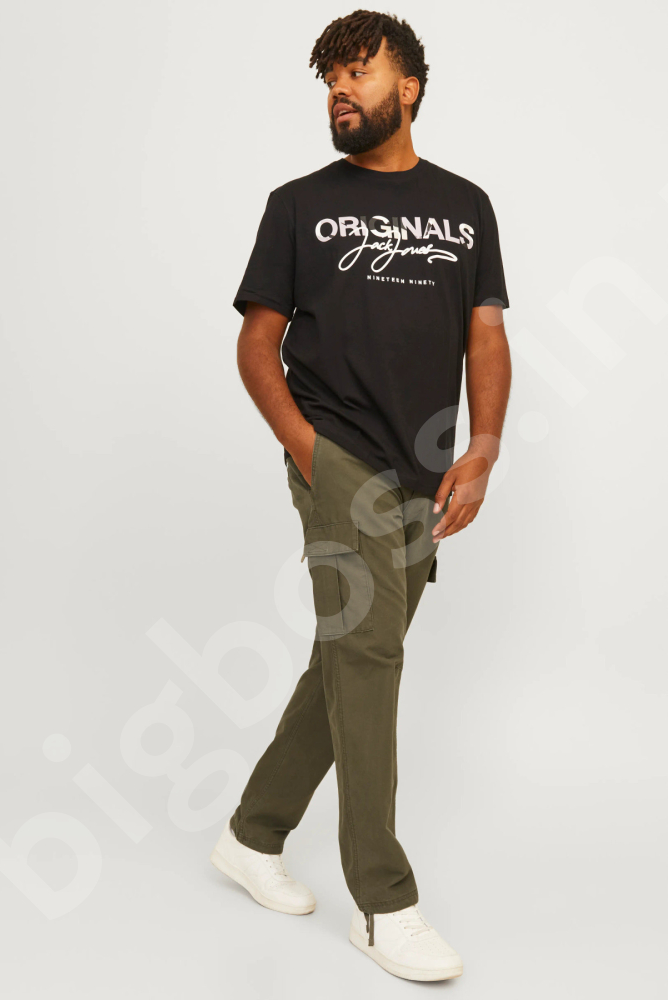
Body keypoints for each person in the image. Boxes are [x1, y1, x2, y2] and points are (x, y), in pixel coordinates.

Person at [210, 8, 512, 983]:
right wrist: (305, 448)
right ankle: (384, 902)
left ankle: (252, 834)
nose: (341, 89)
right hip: (336, 451)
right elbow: (257, 341)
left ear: (408, 87)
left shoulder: (466, 206)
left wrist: (483, 448)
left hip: (427, 465)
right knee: (372, 655)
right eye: (330, 78)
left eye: (359, 73)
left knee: (348, 654)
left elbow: (485, 335)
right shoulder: (299, 206)